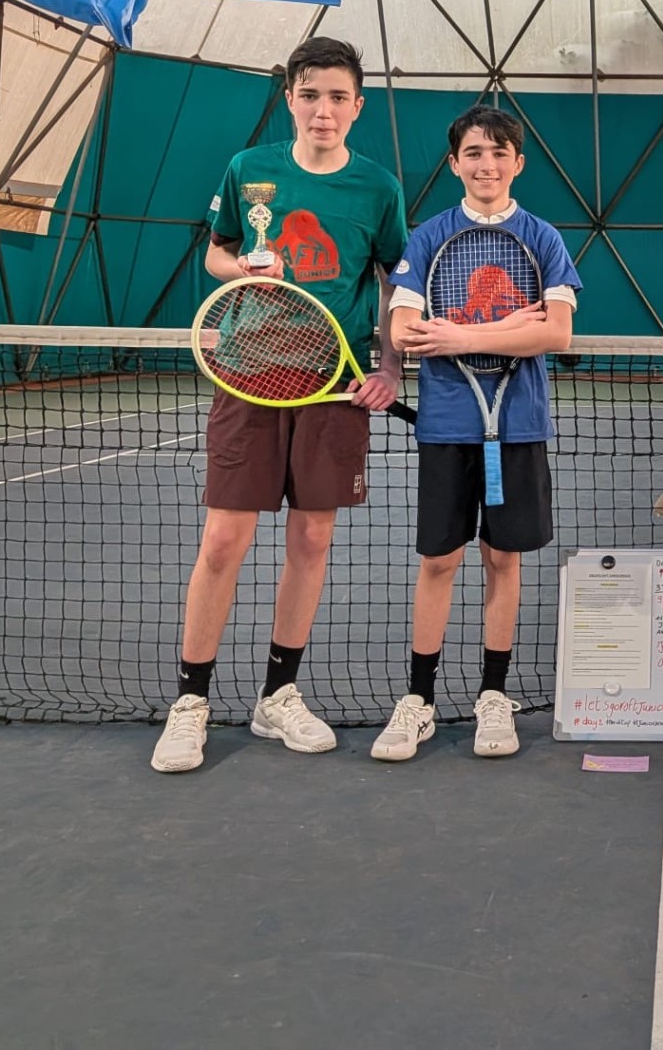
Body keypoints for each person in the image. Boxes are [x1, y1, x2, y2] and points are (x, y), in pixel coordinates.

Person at [152, 37, 408, 773]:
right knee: (223, 542)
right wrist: (244, 264)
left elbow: (396, 282)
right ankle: (191, 703)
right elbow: (217, 251)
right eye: (310, 94)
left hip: (334, 384)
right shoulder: (248, 170)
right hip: (248, 374)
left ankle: (278, 695)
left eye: (337, 96)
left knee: (312, 542)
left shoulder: (378, 188)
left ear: (357, 107)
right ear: (290, 99)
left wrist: (391, 365)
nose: (323, 108)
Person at [370, 105, 580, 762]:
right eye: (473, 153)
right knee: (438, 559)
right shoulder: (429, 237)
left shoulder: (543, 238)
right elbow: (404, 332)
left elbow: (557, 331)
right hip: (446, 427)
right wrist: (509, 328)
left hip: (517, 426)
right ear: (456, 162)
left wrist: (461, 335)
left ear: (517, 162)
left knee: (502, 558)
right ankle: (419, 699)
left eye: (498, 152)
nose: (486, 164)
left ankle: (494, 696)